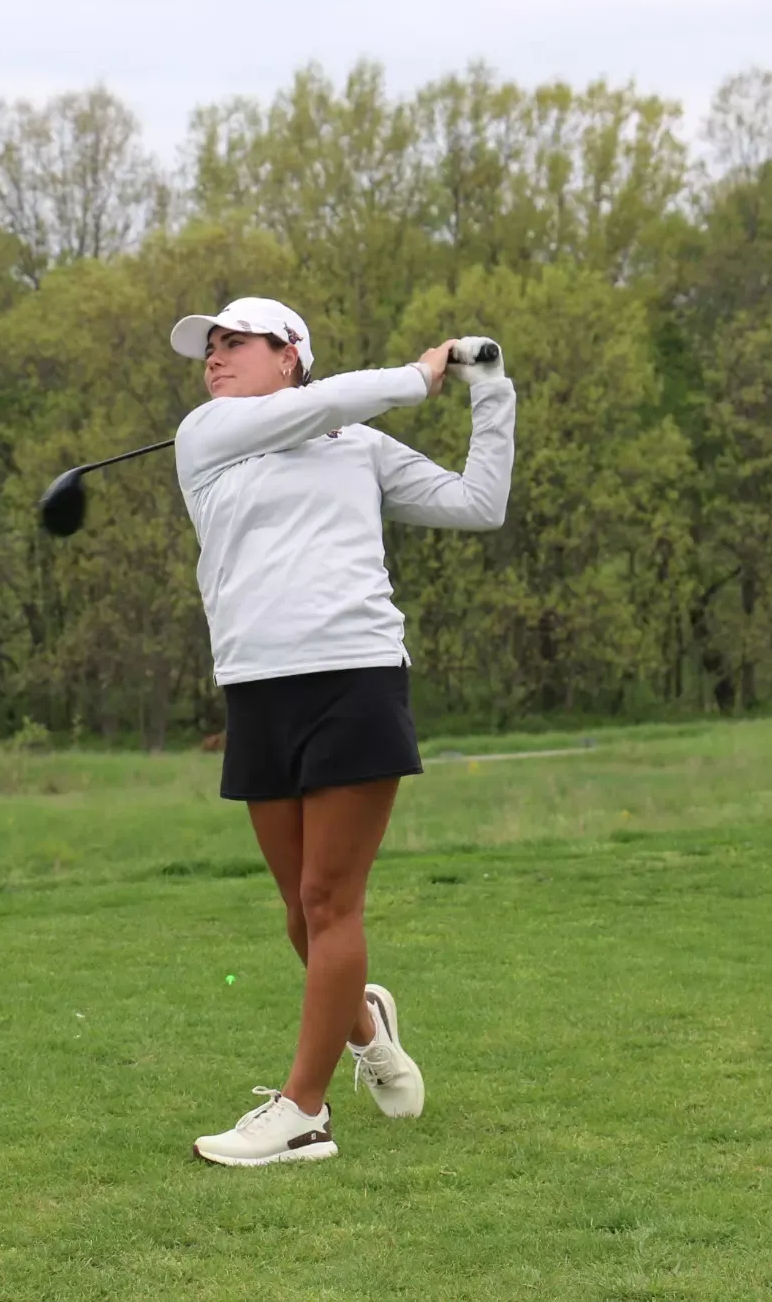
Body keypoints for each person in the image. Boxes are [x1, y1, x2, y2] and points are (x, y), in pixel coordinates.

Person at [168, 297, 516, 1166]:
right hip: (256, 685)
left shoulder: (357, 444)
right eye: (209, 347)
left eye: (234, 342)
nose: (214, 357)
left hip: (356, 674)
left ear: (290, 354)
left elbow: (478, 503)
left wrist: (489, 391)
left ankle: (303, 1112)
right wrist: (415, 377)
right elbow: (323, 403)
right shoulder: (207, 434)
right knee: (299, 911)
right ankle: (366, 1024)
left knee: (330, 901)